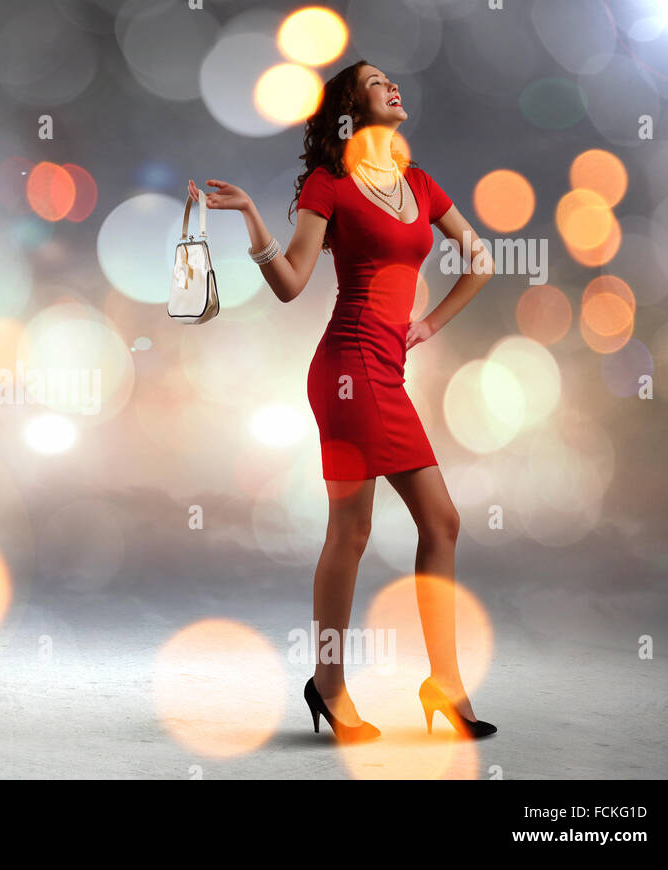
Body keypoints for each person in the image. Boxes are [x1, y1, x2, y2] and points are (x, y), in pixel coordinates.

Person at [188, 60, 496, 742]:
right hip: (347, 368)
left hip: (388, 370)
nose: (393, 86)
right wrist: (251, 218)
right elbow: (291, 283)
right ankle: (333, 685)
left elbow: (482, 259)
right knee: (353, 531)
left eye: (392, 80)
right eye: (376, 82)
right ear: (351, 112)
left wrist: (428, 325)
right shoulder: (329, 185)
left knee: (436, 523)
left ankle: (439, 682)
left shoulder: (420, 183)